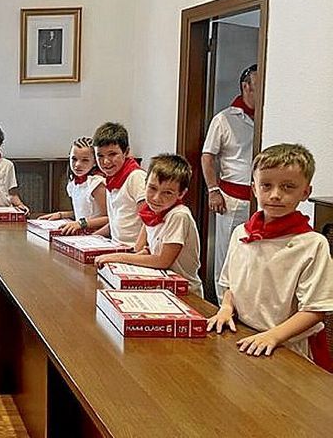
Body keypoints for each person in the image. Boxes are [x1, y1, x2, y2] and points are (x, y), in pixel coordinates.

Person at [207, 144, 333, 369]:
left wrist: (273, 336)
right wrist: (226, 308)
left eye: (288, 187)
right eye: (266, 185)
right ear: (254, 188)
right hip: (244, 337)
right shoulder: (241, 234)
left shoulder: (312, 244)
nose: (275, 195)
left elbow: (315, 310)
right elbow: (231, 286)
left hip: (289, 348)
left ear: (305, 192)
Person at [95, 154, 202, 296]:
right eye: (152, 188)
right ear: (145, 183)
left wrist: (116, 257)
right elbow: (140, 248)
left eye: (168, 193)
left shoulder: (178, 215)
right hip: (160, 285)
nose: (157, 198)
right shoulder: (151, 210)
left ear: (181, 194)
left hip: (185, 292)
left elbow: (162, 261)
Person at [202, 64, 258, 300]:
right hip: (231, 198)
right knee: (226, 256)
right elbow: (208, 156)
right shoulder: (224, 119)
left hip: (259, 199)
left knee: (253, 255)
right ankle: (220, 305)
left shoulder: (270, 114)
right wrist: (213, 190)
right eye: (259, 83)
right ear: (246, 86)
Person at [92, 122, 147, 248]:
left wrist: (136, 252)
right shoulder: (110, 178)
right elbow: (116, 223)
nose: (105, 162)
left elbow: (149, 221)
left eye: (112, 154)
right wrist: (91, 238)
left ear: (126, 152)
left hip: (132, 249)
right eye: (100, 155)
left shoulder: (136, 177)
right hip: (116, 246)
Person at [38, 136, 107, 234]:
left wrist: (81, 223)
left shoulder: (97, 184)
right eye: (74, 159)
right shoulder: (73, 183)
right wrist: (61, 215)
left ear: (95, 162)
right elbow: (84, 213)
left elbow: (109, 218)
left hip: (97, 235)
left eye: (85, 160)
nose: (77, 164)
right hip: (81, 232)